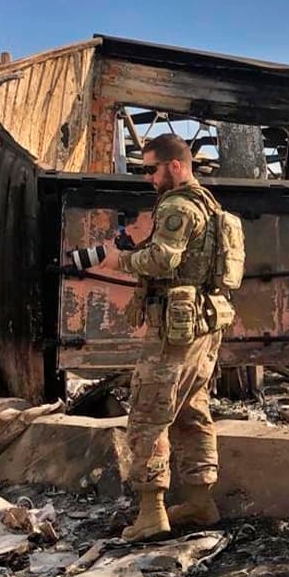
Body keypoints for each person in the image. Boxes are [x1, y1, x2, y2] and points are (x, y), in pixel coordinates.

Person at [71, 133, 242, 541]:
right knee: (191, 412)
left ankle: (151, 512)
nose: (148, 178)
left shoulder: (180, 206)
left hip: (176, 330)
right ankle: (201, 502)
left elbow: (164, 260)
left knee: (147, 416)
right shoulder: (210, 206)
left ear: (176, 166)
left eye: (152, 169)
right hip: (203, 325)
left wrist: (120, 259)